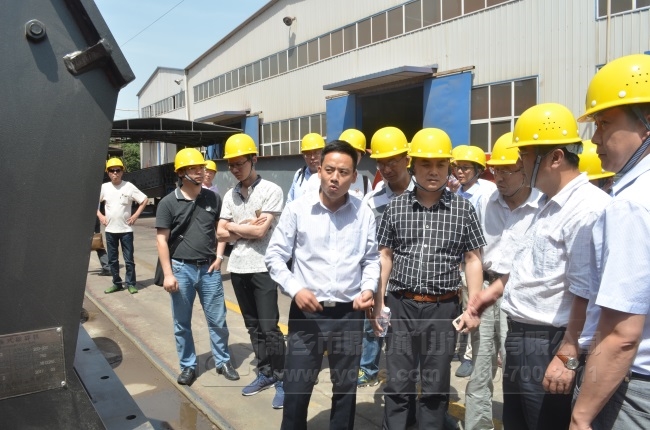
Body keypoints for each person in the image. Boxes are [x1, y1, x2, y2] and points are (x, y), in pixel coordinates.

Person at [458, 103, 610, 430]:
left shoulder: (586, 210)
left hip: (550, 343)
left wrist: (567, 354)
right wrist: (490, 294)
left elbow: (586, 292)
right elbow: (530, 266)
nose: (521, 165)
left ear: (555, 157)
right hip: (522, 336)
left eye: (525, 155)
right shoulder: (544, 203)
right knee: (518, 422)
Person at [372, 128, 486, 430]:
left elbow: (473, 259)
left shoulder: (463, 209)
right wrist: (379, 302)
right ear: (413, 166)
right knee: (399, 382)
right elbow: (385, 256)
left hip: (442, 309)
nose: (433, 171)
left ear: (449, 166)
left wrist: (473, 308)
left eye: (440, 164)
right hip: (401, 306)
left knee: (435, 385)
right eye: (425, 164)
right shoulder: (396, 207)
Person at [265, 140, 381, 430]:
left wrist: (368, 288)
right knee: (297, 388)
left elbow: (371, 259)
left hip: (349, 314)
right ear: (319, 170)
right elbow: (275, 256)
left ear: (354, 176)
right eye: (329, 170)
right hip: (307, 314)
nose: (334, 178)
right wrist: (296, 289)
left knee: (345, 388)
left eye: (343, 172)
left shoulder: (363, 213)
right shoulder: (298, 209)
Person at [569, 53, 650, 430]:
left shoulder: (633, 204)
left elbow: (621, 334)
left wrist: (581, 417)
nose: (595, 139)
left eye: (605, 124)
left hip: (631, 389)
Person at [463, 132, 542, 430]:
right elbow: (474, 254)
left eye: (508, 170)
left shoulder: (542, 206)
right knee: (480, 368)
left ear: (525, 170)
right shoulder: (485, 203)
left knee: (516, 370)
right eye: (496, 169)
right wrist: (473, 301)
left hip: (520, 294)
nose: (499, 177)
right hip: (485, 289)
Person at [155, 148, 239, 386]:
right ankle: (188, 366)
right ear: (181, 173)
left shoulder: (212, 198)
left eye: (201, 168)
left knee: (218, 320)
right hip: (181, 269)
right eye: (194, 169)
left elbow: (220, 231)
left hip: (209, 270)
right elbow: (161, 240)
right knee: (182, 323)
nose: (201, 172)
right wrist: (168, 274)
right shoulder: (168, 203)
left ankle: (223, 361)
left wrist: (219, 257)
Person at [216, 133, 286, 409]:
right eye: (231, 165)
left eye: (240, 163)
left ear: (253, 159)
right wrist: (242, 226)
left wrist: (234, 227)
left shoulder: (271, 190)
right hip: (237, 268)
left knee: (269, 327)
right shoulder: (229, 195)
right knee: (253, 326)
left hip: (263, 267)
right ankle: (265, 373)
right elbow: (219, 233)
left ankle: (282, 378)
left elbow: (260, 232)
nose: (235, 169)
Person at [358, 126, 412, 388]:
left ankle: (410, 384)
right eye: (381, 162)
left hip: (414, 285)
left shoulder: (427, 194)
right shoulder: (372, 201)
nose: (386, 168)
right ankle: (369, 369)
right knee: (374, 328)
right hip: (381, 280)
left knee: (409, 342)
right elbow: (367, 244)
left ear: (407, 159)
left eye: (392, 161)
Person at [450, 144, 496, 378]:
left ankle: (469, 356)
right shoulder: (457, 193)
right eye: (457, 167)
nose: (460, 172)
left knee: (472, 307)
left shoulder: (483, 195)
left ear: (478, 170)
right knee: (460, 307)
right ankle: (460, 349)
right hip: (457, 262)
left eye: (466, 168)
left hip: (473, 262)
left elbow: (485, 233)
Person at [98, 158, 148, 294]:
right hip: (110, 230)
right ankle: (117, 283)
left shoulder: (128, 186)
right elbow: (93, 203)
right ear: (108, 172)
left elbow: (144, 200)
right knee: (112, 260)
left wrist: (135, 215)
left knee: (129, 259)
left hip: (126, 230)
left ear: (122, 172)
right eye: (112, 170)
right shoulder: (104, 187)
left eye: (118, 170)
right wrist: (101, 216)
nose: (115, 173)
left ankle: (131, 283)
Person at [304, 128, 372, 198]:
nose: (350, 158)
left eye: (355, 154)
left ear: (361, 156)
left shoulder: (365, 182)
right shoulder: (315, 180)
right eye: (346, 153)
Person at [286, 133, 325, 203]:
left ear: (323, 153)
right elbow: (290, 200)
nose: (312, 157)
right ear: (303, 156)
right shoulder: (299, 174)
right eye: (308, 154)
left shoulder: (329, 176)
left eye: (316, 153)